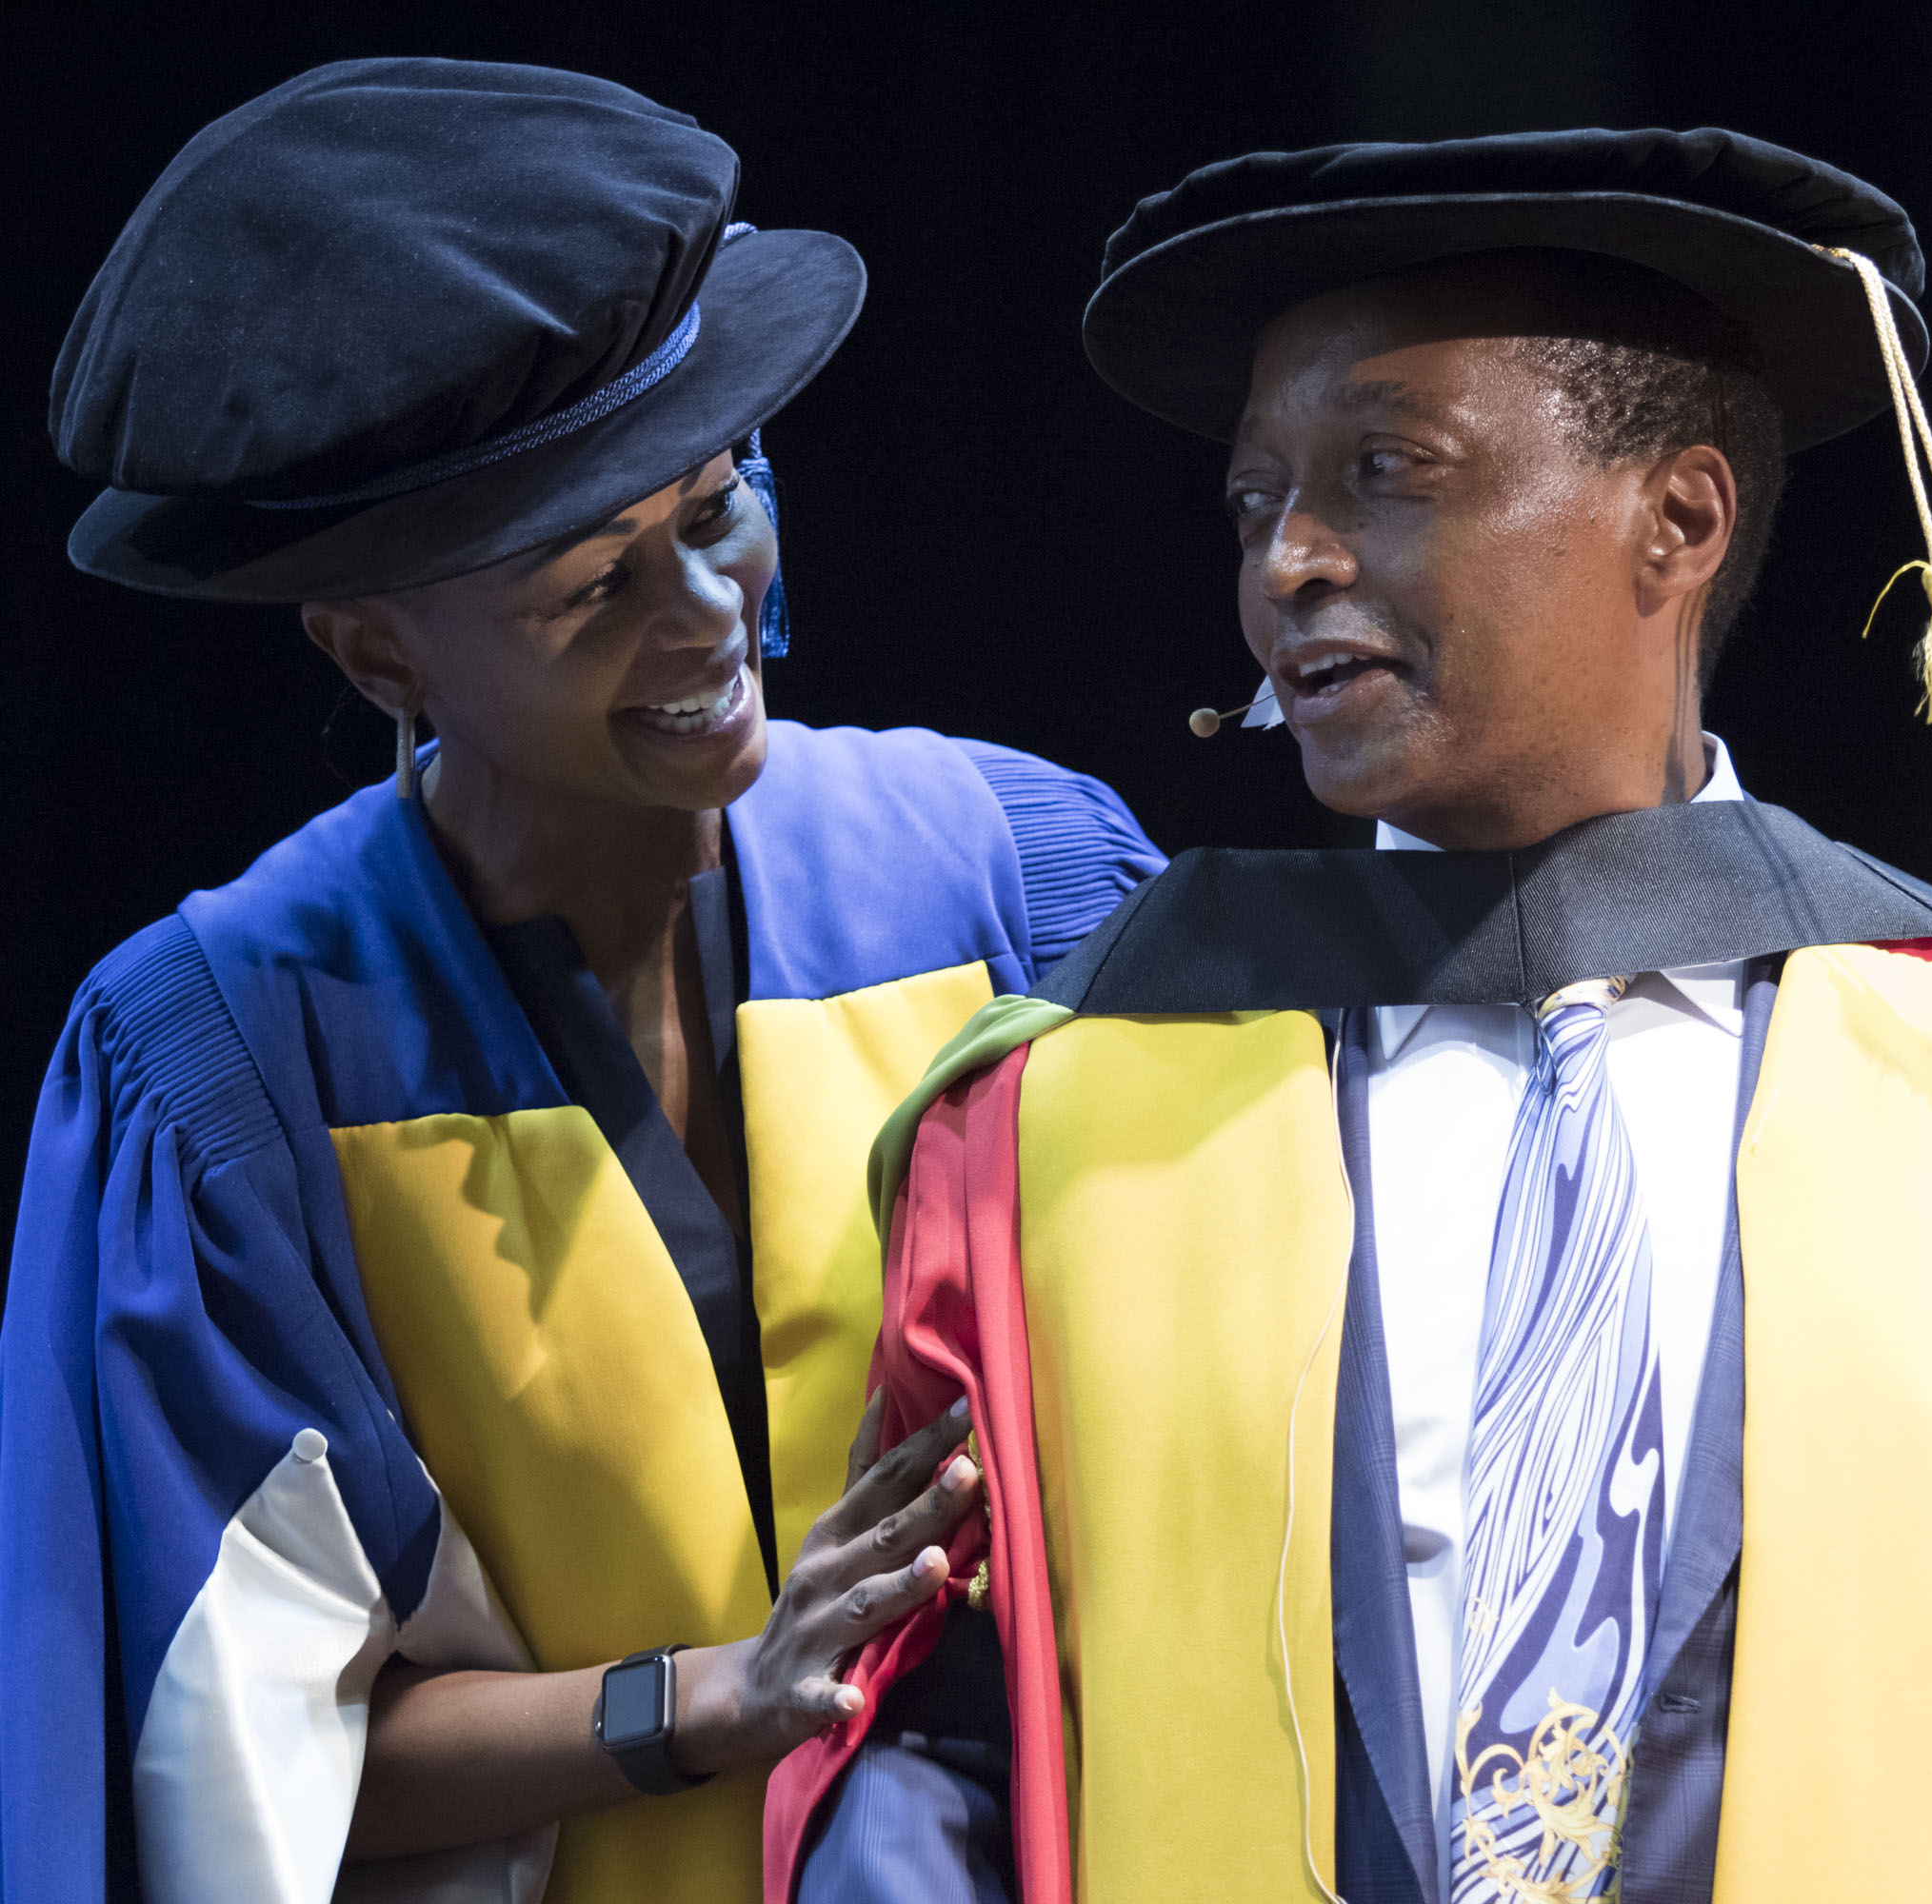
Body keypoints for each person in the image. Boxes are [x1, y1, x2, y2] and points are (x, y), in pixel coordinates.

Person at [771, 131, 1932, 1903]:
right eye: (1256, 503)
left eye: (1385, 470)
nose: (1292, 564)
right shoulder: (1057, 1123)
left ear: (1681, 519)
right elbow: (941, 1722)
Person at [0, 60, 1158, 1904]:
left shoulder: (1016, 877)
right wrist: (721, 1697)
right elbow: (221, 1772)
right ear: (380, 650)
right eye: (591, 586)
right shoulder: (232, 1062)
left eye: (718, 511)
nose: (705, 616)